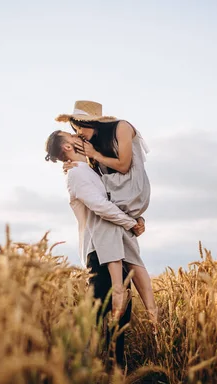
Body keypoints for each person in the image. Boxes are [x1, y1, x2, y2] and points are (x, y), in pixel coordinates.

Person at [44, 129, 144, 367]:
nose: (79, 137)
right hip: (98, 252)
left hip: (114, 249)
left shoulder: (91, 170)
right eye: (73, 137)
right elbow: (100, 206)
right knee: (95, 314)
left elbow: (117, 199)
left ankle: (115, 371)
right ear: (67, 147)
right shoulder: (76, 175)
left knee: (121, 315)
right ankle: (81, 368)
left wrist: (137, 219)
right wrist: (130, 223)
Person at [56, 100, 158, 327]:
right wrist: (75, 165)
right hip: (115, 199)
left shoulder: (121, 127)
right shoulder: (91, 146)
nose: (78, 133)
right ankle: (154, 316)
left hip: (131, 189)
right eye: (74, 129)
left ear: (90, 122)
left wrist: (93, 155)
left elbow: (123, 165)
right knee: (131, 253)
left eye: (78, 127)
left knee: (107, 220)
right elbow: (97, 185)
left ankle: (120, 292)